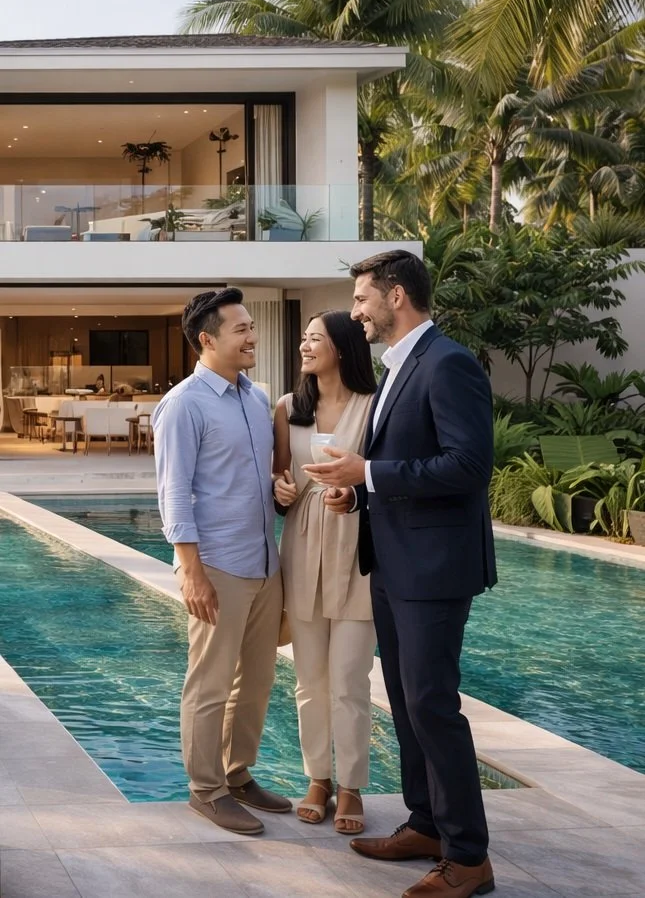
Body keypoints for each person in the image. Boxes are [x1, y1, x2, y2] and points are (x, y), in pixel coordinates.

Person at [303, 250, 497, 898]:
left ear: (394, 296)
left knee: (432, 707)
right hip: (391, 563)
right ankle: (426, 825)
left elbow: (467, 467)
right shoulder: (398, 367)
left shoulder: (448, 363)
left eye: (360, 298)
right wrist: (356, 494)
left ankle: (468, 858)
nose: (354, 310)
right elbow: (401, 466)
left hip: (434, 571)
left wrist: (370, 474)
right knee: (409, 708)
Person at [152, 287, 291, 836]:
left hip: (264, 561)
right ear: (207, 340)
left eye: (252, 326)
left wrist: (280, 488)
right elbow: (174, 492)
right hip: (217, 565)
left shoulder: (256, 398)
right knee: (210, 682)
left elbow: (257, 475)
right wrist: (191, 571)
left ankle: (237, 774)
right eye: (241, 329)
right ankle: (205, 789)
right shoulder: (184, 404)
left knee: (255, 681)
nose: (253, 336)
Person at [273, 310, 377, 835]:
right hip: (303, 547)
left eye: (315, 339)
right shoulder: (288, 409)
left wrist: (354, 494)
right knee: (309, 679)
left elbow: (385, 479)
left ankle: (353, 785)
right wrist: (281, 492)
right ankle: (318, 778)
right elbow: (276, 478)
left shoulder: (374, 406)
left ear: (341, 347)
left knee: (349, 678)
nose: (305, 346)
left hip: (356, 548)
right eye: (304, 339)